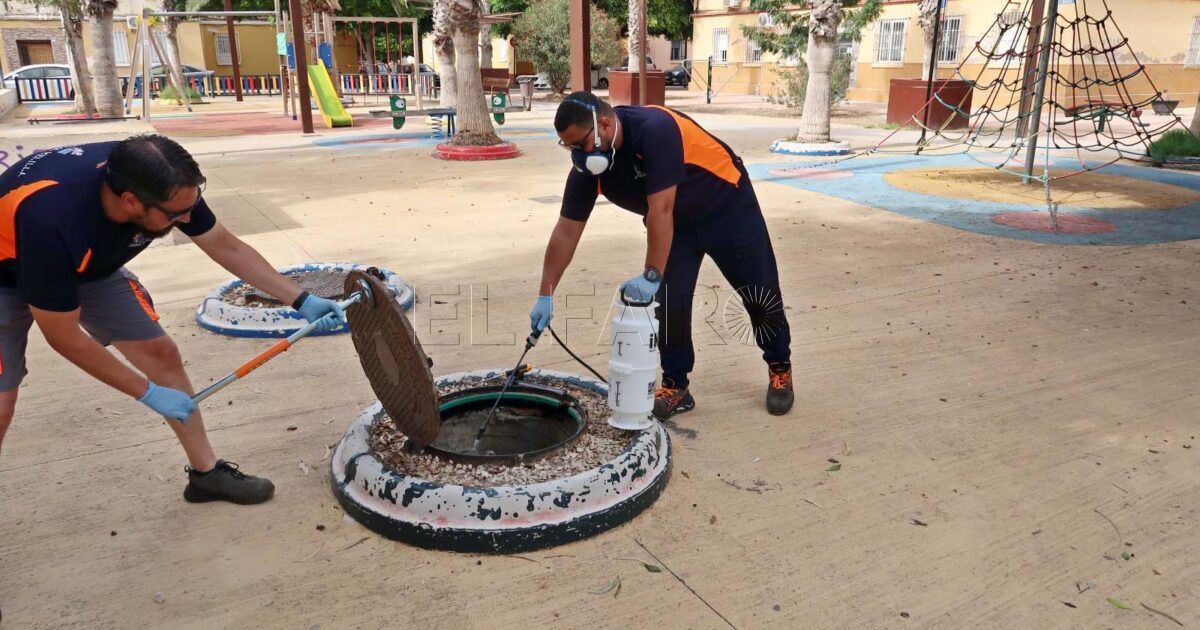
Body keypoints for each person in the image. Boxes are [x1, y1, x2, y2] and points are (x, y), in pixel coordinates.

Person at [0, 135, 346, 505]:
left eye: (191, 206)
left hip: (89, 267)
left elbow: (225, 245)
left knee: (161, 354)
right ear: (130, 201)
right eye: (175, 215)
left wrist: (301, 299)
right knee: (2, 404)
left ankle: (206, 475)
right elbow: (63, 337)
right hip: (8, 272)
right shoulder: (51, 220)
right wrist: (146, 392)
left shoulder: (164, 179)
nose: (187, 219)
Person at [530, 92, 794, 420]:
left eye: (580, 144)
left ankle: (779, 365)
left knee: (759, 291)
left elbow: (661, 208)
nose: (578, 155)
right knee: (669, 304)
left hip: (727, 206)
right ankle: (676, 385)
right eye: (569, 147)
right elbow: (567, 231)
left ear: (605, 126)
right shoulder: (591, 169)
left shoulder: (655, 129)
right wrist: (545, 293)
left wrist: (651, 274)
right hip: (677, 227)